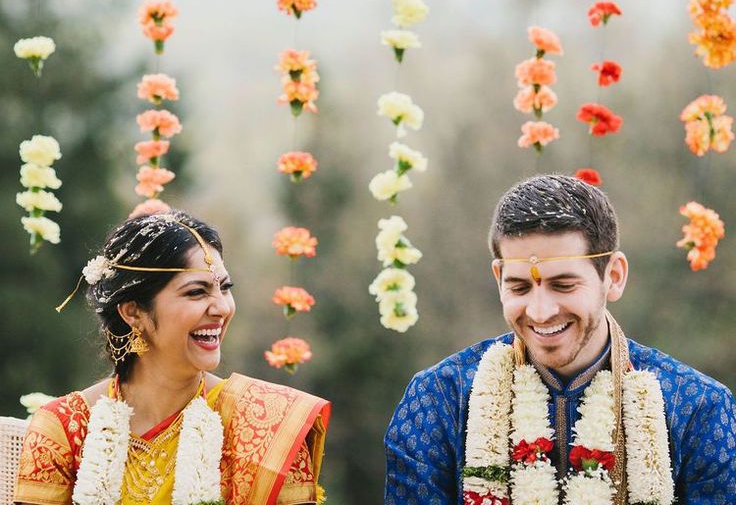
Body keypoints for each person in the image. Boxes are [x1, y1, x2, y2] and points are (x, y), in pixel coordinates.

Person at [385, 174, 736, 504]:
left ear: (613, 276)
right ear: (498, 277)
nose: (539, 312)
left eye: (563, 285)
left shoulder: (697, 409)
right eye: (519, 286)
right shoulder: (439, 400)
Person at [15, 210, 330, 505]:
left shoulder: (267, 427)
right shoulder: (65, 432)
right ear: (133, 312)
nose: (221, 307)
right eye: (196, 292)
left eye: (225, 287)